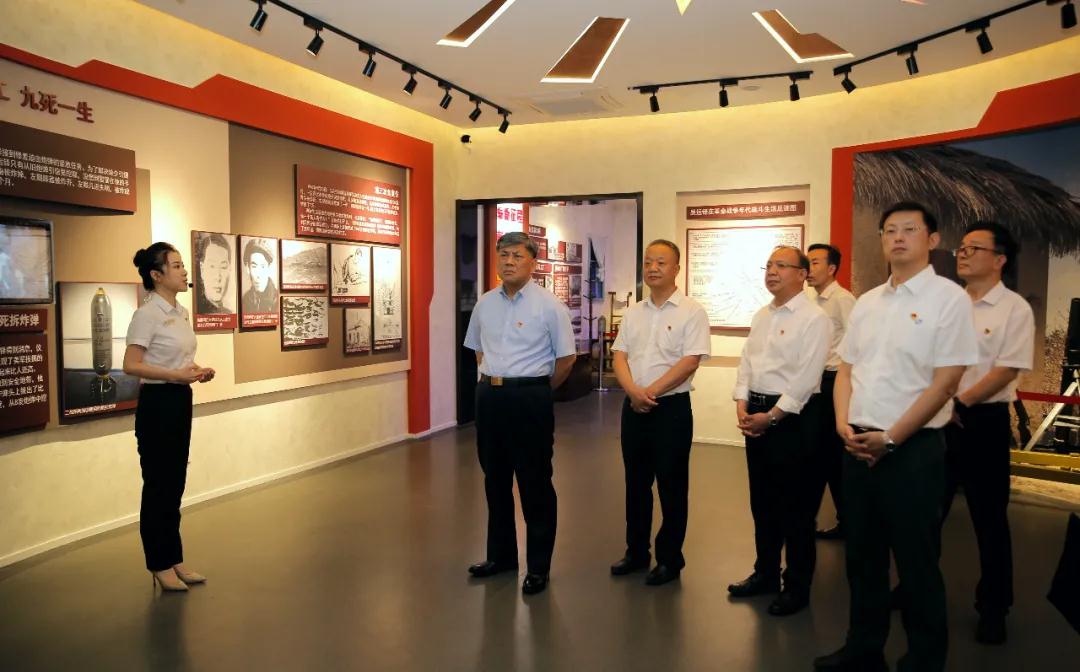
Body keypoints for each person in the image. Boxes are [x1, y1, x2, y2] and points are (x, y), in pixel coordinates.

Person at [814, 202, 978, 672]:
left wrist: (891, 438)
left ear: (932, 240)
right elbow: (846, 371)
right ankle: (863, 647)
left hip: (913, 450)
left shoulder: (949, 300)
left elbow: (946, 382)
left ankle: (925, 658)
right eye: (890, 230)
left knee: (916, 562)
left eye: (910, 229)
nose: (898, 238)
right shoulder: (868, 302)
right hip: (856, 444)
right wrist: (842, 422)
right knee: (862, 558)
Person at [463, 231, 576, 596]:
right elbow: (478, 350)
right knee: (494, 480)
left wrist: (536, 390)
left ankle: (538, 567)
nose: (508, 262)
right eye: (503, 255)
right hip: (490, 397)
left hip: (530, 399)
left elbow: (566, 359)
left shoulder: (549, 306)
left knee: (534, 482)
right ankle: (501, 557)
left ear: (532, 262)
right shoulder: (485, 303)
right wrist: (495, 380)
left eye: (516, 255)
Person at [731, 246, 831, 616]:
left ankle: (797, 586)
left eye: (781, 266)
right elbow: (747, 363)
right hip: (757, 412)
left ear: (802, 274)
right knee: (763, 502)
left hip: (794, 419)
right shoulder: (762, 315)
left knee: (797, 508)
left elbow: (806, 378)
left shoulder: (814, 319)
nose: (772, 271)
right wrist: (742, 402)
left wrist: (772, 416)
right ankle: (766, 574)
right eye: (769, 265)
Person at [946, 221, 1034, 643]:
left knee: (989, 519)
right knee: (925, 513)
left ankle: (994, 607)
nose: (962, 254)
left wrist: (958, 403)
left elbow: (1007, 369)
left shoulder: (1014, 308)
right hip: (938, 418)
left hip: (983, 422)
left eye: (973, 248)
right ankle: (912, 587)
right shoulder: (949, 304)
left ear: (999, 259)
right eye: (961, 248)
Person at [609, 239, 711, 586]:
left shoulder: (691, 311)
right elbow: (619, 355)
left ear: (676, 269)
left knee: (672, 485)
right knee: (635, 485)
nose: (652, 268)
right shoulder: (634, 312)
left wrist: (649, 392)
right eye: (648, 262)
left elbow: (690, 361)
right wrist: (632, 392)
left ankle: (670, 559)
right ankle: (636, 552)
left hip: (671, 410)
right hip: (633, 407)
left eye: (661, 262)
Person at [123, 242, 216, 592]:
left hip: (179, 399)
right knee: (159, 485)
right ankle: (159, 563)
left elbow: (176, 360)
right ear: (156, 275)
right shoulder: (147, 314)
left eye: (182, 265)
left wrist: (196, 370)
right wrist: (175, 375)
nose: (184, 271)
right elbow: (131, 364)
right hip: (158, 404)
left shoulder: (181, 312)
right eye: (176, 266)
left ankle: (174, 558)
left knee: (175, 483)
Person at [806, 244, 857, 541]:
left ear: (832, 268)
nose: (809, 268)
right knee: (819, 454)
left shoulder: (842, 300)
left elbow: (857, 343)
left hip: (835, 381)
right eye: (808, 262)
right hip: (816, 381)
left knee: (832, 456)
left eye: (815, 262)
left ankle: (849, 522)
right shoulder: (813, 301)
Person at [194, 232, 234, 315]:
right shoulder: (199, 311)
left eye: (223, 267)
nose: (218, 277)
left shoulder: (229, 314)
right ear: (202, 269)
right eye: (212, 266)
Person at [241, 238, 278, 314]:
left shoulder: (277, 299)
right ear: (248, 268)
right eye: (254, 267)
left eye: (263, 266)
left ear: (269, 267)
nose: (258, 274)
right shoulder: (245, 300)